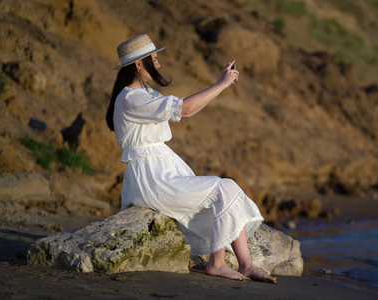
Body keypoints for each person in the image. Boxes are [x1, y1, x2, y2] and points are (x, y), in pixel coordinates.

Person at [106, 34, 276, 283]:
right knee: (224, 187)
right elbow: (184, 110)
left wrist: (220, 83)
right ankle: (218, 264)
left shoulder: (146, 93)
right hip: (151, 176)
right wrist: (222, 84)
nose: (159, 64)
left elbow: (189, 109)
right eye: (154, 59)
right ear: (139, 64)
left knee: (222, 192)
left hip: (163, 167)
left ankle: (246, 264)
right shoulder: (132, 99)